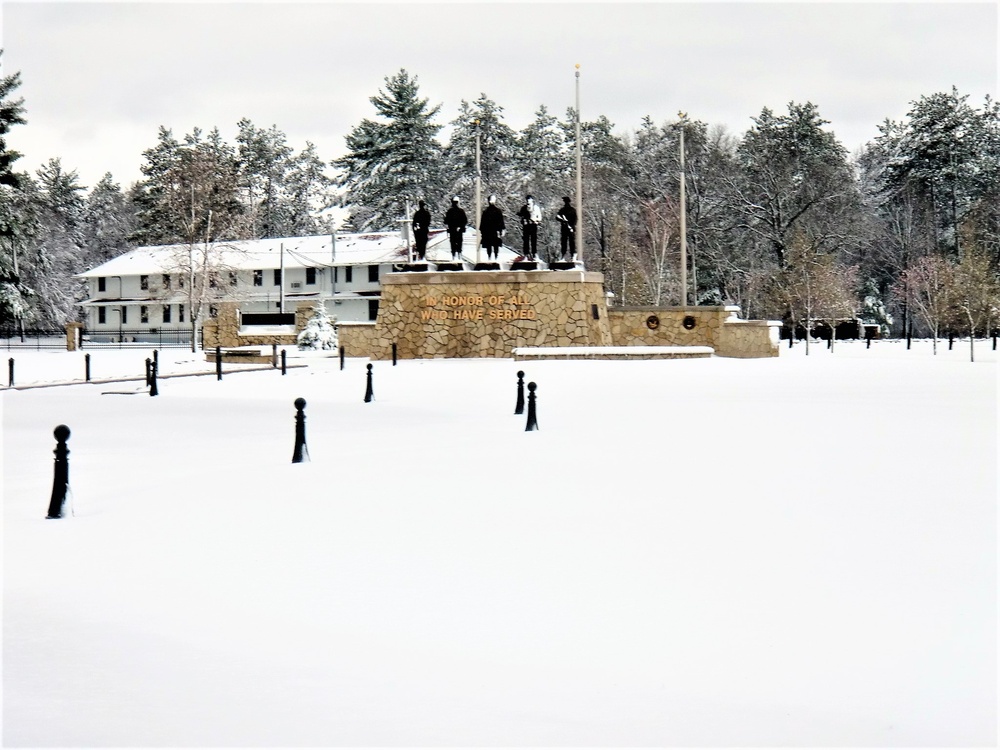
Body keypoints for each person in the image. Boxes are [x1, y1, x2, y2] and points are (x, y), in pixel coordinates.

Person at [479, 194, 505, 261]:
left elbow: (483, 223)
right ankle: (495, 257)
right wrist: (501, 230)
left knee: (489, 245)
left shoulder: (486, 212)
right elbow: (501, 222)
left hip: (488, 232)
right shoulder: (498, 211)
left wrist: (482, 231)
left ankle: (490, 257)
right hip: (495, 231)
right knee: (495, 245)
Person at [516, 194, 541, 260]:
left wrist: (536, 221)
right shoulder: (524, 208)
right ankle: (526, 254)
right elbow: (521, 216)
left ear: (532, 200)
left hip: (533, 225)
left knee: (533, 240)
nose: (528, 201)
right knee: (526, 241)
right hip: (526, 226)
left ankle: (534, 254)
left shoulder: (536, 208)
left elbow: (539, 217)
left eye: (529, 199)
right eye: (527, 199)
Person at [556, 196, 578, 261]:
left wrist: (571, 226)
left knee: (570, 242)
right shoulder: (563, 210)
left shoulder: (569, 210)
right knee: (565, 242)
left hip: (569, 228)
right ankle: (565, 255)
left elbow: (575, 219)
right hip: (565, 228)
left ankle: (572, 254)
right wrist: (563, 220)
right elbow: (557, 217)